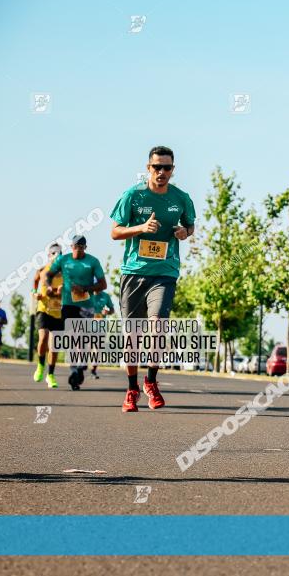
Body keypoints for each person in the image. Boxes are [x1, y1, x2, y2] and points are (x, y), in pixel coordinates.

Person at [110, 145, 195, 412]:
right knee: (132, 336)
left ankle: (152, 381)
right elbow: (115, 232)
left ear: (173, 170)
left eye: (166, 168)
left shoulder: (181, 198)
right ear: (148, 168)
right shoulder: (132, 196)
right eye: (156, 167)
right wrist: (141, 228)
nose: (161, 172)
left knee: (157, 326)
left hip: (164, 273)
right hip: (134, 272)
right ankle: (132, 388)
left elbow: (190, 224)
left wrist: (184, 232)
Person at [46, 235, 107, 390]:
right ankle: (74, 369)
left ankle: (81, 365)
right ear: (71, 246)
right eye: (76, 246)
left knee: (83, 338)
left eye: (82, 246)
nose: (78, 249)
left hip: (87, 305)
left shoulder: (93, 262)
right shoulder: (63, 260)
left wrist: (86, 289)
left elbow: (103, 284)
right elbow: (49, 274)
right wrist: (48, 286)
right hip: (68, 304)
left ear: (85, 247)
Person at [32, 243, 64, 387]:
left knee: (54, 346)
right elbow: (35, 282)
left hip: (58, 312)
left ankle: (50, 375)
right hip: (43, 309)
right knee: (43, 337)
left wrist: (58, 292)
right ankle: (40, 365)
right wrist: (35, 294)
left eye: (59, 253)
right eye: (54, 253)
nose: (57, 256)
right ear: (49, 255)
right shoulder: (42, 270)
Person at [89, 290, 115, 379]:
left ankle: (93, 370)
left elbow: (112, 310)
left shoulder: (105, 296)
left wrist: (107, 311)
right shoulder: (87, 293)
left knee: (97, 349)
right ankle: (80, 367)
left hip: (100, 326)